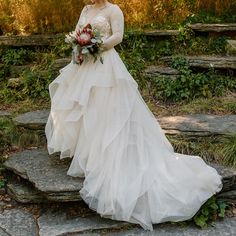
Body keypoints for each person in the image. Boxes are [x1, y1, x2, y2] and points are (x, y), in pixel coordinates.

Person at [45, 0, 223, 231]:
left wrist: (95, 46)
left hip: (105, 65)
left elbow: (118, 36)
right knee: (86, 109)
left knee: (106, 110)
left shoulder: (113, 10)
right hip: (84, 64)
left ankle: (109, 156)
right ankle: (89, 156)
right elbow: (78, 33)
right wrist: (78, 49)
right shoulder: (86, 9)